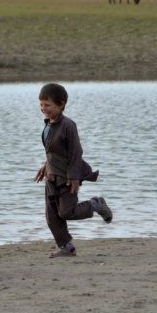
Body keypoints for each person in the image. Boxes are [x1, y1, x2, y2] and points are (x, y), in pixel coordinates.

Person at [33, 83, 112, 257]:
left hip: (66, 178)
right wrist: (45, 166)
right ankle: (67, 247)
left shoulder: (67, 125)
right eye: (41, 104)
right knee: (52, 216)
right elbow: (56, 151)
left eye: (47, 105)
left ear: (61, 104)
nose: (43, 108)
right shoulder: (49, 124)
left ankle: (95, 204)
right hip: (51, 177)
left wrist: (74, 177)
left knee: (66, 212)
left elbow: (76, 152)